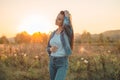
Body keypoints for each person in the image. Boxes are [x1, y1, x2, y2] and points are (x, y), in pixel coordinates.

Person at [46, 10, 74, 80]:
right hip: (52, 62)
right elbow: (47, 48)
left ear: (63, 21)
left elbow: (68, 25)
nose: (56, 20)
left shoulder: (67, 33)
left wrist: (67, 17)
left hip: (62, 63)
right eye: (57, 17)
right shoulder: (53, 33)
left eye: (59, 19)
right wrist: (50, 49)